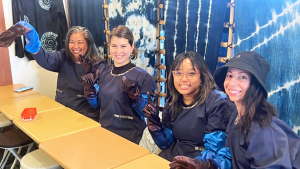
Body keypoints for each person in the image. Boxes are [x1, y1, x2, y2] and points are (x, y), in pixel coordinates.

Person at [169, 51, 300, 169]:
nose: (232, 83)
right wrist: (208, 165)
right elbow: (228, 153)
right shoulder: (236, 116)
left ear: (255, 85)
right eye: (229, 75)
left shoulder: (265, 129)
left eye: (242, 77)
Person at [142, 51, 236, 162]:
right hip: (176, 156)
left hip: (202, 161)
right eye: (178, 73)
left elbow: (214, 149)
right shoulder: (172, 102)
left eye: (191, 73)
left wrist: (196, 164)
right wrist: (155, 125)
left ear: (202, 76)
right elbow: (166, 143)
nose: (184, 79)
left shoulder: (217, 102)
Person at [17, 21, 106, 121]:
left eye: (80, 42)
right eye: (71, 42)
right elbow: (46, 59)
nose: (75, 46)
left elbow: (102, 100)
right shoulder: (63, 57)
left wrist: (93, 93)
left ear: (88, 44)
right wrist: (33, 43)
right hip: (62, 110)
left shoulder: (98, 65)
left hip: (85, 116)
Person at [81, 25, 155, 144]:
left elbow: (146, 113)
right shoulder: (104, 72)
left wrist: (136, 99)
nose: (118, 51)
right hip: (105, 134)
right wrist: (90, 91)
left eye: (123, 46)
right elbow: (98, 105)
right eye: (114, 46)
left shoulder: (143, 77)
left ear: (132, 47)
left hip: (131, 138)